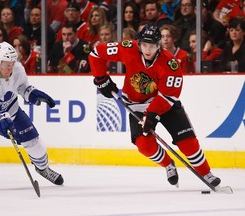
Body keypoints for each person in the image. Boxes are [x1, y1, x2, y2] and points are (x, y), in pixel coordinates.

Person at [89, 24, 221, 188]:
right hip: (137, 105)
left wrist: (152, 114)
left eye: (152, 45)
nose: (147, 49)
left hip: (164, 104)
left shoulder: (170, 64)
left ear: (159, 45)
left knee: (188, 142)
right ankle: (168, 164)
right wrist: (101, 79)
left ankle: (206, 173)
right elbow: (96, 53)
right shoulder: (128, 48)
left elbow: (168, 95)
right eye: (144, 45)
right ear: (139, 43)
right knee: (144, 145)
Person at [0, 41, 64, 190]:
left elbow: (22, 86)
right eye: (6, 63)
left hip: (10, 109)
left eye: (12, 62)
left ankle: (43, 168)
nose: (10, 67)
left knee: (36, 145)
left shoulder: (17, 69)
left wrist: (32, 93)